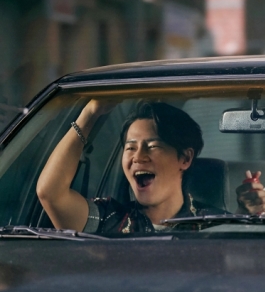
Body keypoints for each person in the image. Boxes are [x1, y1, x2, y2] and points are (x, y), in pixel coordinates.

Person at [37, 100, 222, 234]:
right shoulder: (109, 218)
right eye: (130, 148)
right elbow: (50, 193)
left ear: (185, 158)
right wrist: (90, 113)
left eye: (153, 146)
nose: (138, 157)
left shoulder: (216, 225)